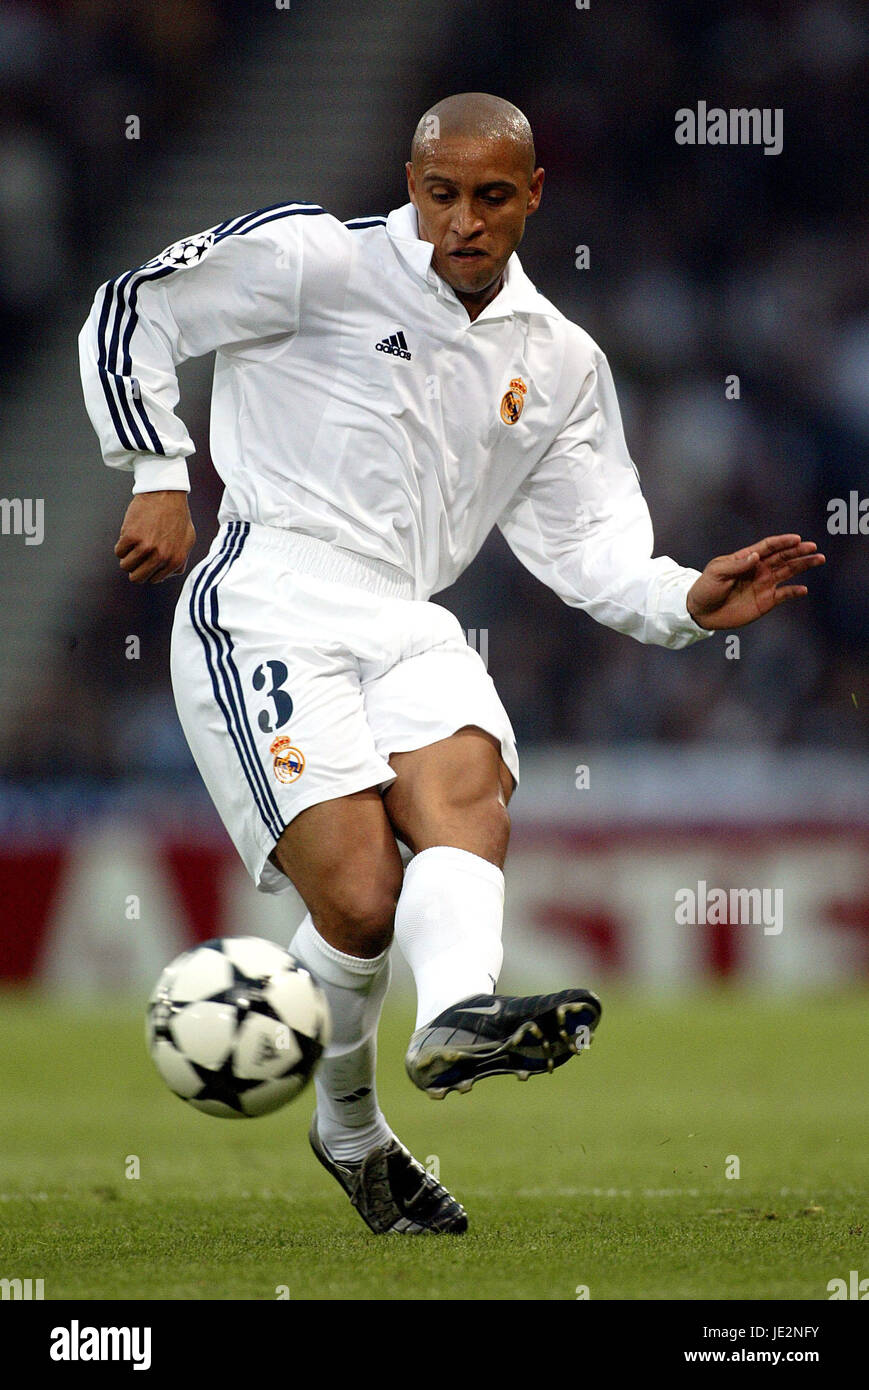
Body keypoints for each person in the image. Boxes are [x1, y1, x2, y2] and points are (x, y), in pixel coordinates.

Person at [79, 92, 825, 1235]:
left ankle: (458, 1017)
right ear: (411, 182)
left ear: (532, 196)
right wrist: (156, 469)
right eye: (440, 195)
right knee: (361, 898)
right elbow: (134, 306)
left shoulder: (559, 361)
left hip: (404, 614)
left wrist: (682, 596)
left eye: (489, 198)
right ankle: (350, 1129)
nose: (460, 222)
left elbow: (588, 545)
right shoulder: (314, 261)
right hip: (268, 591)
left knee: (468, 781)